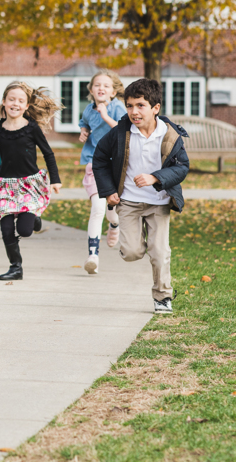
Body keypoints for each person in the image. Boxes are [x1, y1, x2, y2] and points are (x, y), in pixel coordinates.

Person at [91, 78, 189, 314]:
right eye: (129, 106)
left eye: (140, 105)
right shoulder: (120, 133)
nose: (134, 112)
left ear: (156, 108)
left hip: (159, 202)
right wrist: (109, 191)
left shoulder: (170, 136)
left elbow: (182, 167)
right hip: (129, 202)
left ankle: (163, 296)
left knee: (160, 252)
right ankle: (117, 225)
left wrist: (156, 177)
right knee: (133, 252)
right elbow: (100, 159)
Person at [0, 82, 62, 280]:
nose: (15, 103)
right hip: (5, 185)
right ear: (4, 102)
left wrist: (55, 180)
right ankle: (15, 267)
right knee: (6, 229)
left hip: (29, 185)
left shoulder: (31, 128)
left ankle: (34, 217)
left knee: (24, 230)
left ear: (26, 106)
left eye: (20, 101)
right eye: (11, 99)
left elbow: (48, 154)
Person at [78, 70, 128, 275]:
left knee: (111, 208)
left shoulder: (117, 108)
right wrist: (84, 131)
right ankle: (93, 256)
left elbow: (122, 130)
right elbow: (85, 124)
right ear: (91, 90)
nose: (101, 88)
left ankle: (114, 223)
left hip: (113, 164)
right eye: (97, 85)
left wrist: (105, 115)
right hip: (93, 162)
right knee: (97, 209)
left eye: (106, 86)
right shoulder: (89, 110)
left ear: (114, 91)